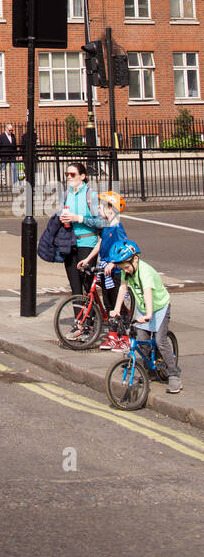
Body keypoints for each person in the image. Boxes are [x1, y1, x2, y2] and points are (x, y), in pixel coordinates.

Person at [107, 240, 182, 394]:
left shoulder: (145, 271)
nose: (125, 271)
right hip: (144, 309)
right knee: (142, 340)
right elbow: (122, 288)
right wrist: (116, 309)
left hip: (159, 307)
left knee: (161, 341)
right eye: (122, 268)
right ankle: (149, 370)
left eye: (126, 267)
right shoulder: (126, 271)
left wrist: (148, 314)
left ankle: (174, 374)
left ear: (135, 259)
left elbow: (147, 293)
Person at [77, 191, 131, 350]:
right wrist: (87, 259)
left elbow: (124, 248)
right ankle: (112, 336)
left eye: (101, 207)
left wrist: (113, 263)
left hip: (115, 272)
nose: (98, 210)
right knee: (107, 304)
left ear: (110, 209)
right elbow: (100, 244)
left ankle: (125, 337)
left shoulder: (118, 228)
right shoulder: (106, 227)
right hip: (104, 269)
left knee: (116, 304)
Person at [58, 161, 105, 306]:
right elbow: (62, 214)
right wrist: (62, 218)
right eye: (67, 174)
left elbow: (101, 222)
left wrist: (79, 218)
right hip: (70, 243)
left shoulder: (91, 195)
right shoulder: (66, 194)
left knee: (87, 284)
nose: (69, 177)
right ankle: (79, 322)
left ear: (83, 176)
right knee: (75, 287)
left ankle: (91, 319)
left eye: (72, 174)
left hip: (87, 242)